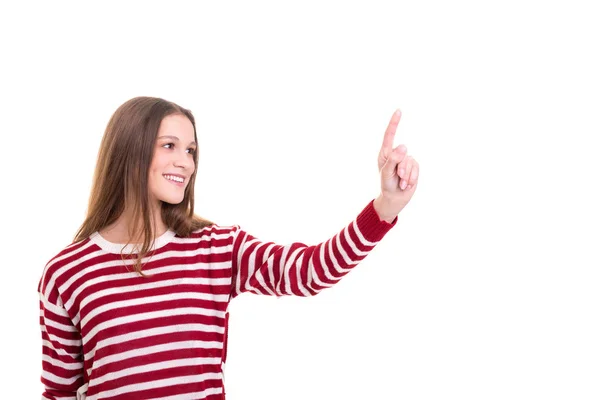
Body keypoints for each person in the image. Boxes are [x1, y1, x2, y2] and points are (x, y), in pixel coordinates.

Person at [38, 96, 420, 400]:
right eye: (169, 145)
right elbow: (61, 392)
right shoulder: (66, 272)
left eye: (190, 150)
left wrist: (385, 206)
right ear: (129, 152)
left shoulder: (216, 248)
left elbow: (309, 272)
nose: (184, 163)